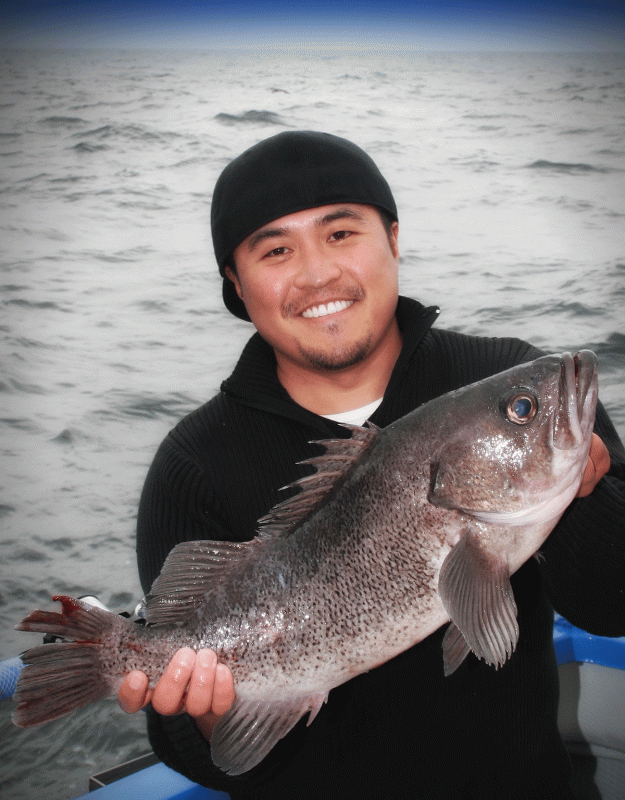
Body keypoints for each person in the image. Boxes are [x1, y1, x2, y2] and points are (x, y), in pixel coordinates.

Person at [117, 131, 624, 799]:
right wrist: (211, 721)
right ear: (235, 284)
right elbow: (202, 751)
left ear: (392, 237)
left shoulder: (510, 378)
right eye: (275, 249)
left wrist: (577, 495)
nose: (316, 273)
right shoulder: (192, 464)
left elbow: (612, 605)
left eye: (340, 233)